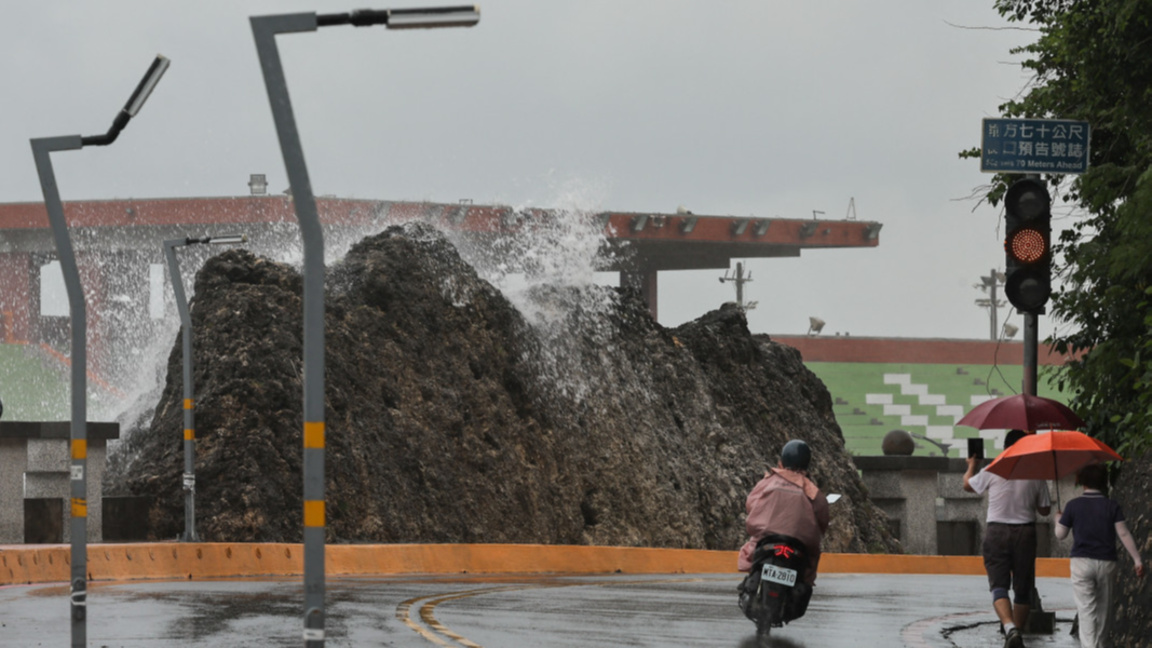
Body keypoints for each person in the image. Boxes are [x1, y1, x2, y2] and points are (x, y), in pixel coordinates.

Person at [963, 429, 1052, 648]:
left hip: (997, 532)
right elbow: (1044, 510)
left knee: (998, 585)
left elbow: (967, 485)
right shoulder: (1035, 473)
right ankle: (1016, 632)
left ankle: (1010, 629)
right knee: (1022, 589)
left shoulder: (993, 469)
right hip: (1025, 533)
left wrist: (971, 465)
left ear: (1005, 447)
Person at [1055, 463, 1145, 648]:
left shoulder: (1073, 506)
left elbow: (1060, 534)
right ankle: (1101, 644)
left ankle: (1089, 645)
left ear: (1082, 482)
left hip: (1081, 563)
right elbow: (1124, 533)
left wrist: (1058, 519)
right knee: (1104, 611)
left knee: (1086, 610)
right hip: (1106, 562)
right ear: (1104, 482)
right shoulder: (1111, 506)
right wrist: (1137, 559)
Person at [738, 439, 830, 586]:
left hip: (767, 541)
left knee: (752, 546)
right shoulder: (813, 491)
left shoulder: (768, 482)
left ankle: (752, 581)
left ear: (782, 460)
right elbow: (823, 519)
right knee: (812, 558)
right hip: (799, 546)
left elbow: (751, 504)